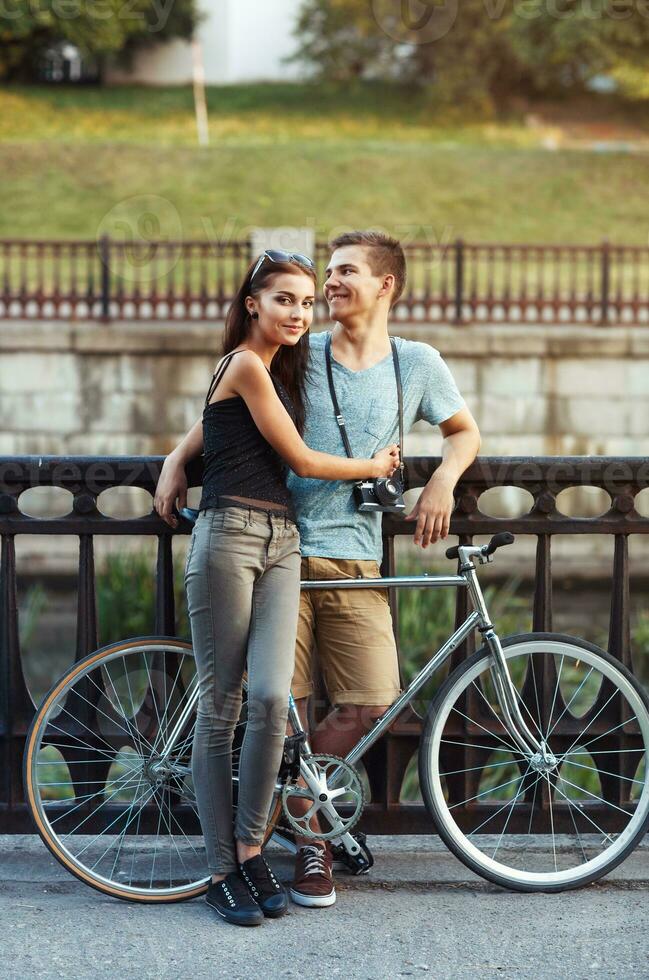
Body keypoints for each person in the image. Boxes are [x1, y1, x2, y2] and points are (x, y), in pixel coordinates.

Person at [156, 231, 480, 911]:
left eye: (342, 274)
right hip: (283, 548)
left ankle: (289, 807)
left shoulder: (414, 362)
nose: (327, 289)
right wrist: (173, 460)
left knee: (370, 698)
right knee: (282, 704)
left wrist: (443, 480)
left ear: (385, 285)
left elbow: (462, 431)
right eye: (320, 277)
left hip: (357, 550)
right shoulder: (293, 354)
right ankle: (308, 846)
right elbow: (227, 409)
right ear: (259, 303)